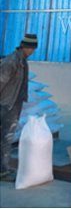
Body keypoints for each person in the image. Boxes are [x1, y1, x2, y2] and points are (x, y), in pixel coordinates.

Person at [0, 34, 38, 181]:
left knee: (6, 137)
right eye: (31, 49)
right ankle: (3, 170)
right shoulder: (12, 61)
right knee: (6, 137)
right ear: (25, 47)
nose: (32, 52)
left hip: (13, 103)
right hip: (6, 104)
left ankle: (3, 167)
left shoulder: (22, 61)